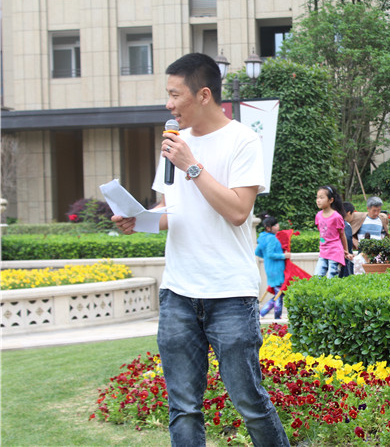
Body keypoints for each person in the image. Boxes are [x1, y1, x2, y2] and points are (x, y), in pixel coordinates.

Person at [111, 53, 289, 447]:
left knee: (250, 402)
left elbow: (238, 211)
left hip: (230, 294)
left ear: (204, 95)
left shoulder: (243, 140)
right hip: (178, 292)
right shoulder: (175, 144)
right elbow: (171, 209)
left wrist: (192, 165)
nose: (169, 105)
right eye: (168, 95)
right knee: (183, 407)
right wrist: (139, 220)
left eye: (175, 95)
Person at [256, 214, 291, 318]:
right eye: (275, 225)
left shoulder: (263, 238)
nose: (278, 226)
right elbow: (270, 254)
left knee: (279, 293)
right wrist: (284, 256)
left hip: (269, 268)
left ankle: (265, 313)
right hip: (277, 269)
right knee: (279, 294)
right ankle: (273, 316)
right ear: (269, 228)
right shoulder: (272, 239)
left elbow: (257, 252)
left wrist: (267, 258)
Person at [315, 186, 352, 278]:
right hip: (323, 252)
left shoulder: (336, 217)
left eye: (321, 197)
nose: (318, 200)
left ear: (331, 200)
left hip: (335, 252)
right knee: (317, 277)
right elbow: (322, 233)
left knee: (332, 278)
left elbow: (342, 235)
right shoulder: (318, 216)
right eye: (317, 197)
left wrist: (346, 251)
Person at [339, 202, 356, 278]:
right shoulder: (346, 225)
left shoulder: (336, 222)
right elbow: (348, 238)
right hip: (346, 258)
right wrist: (348, 252)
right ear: (349, 213)